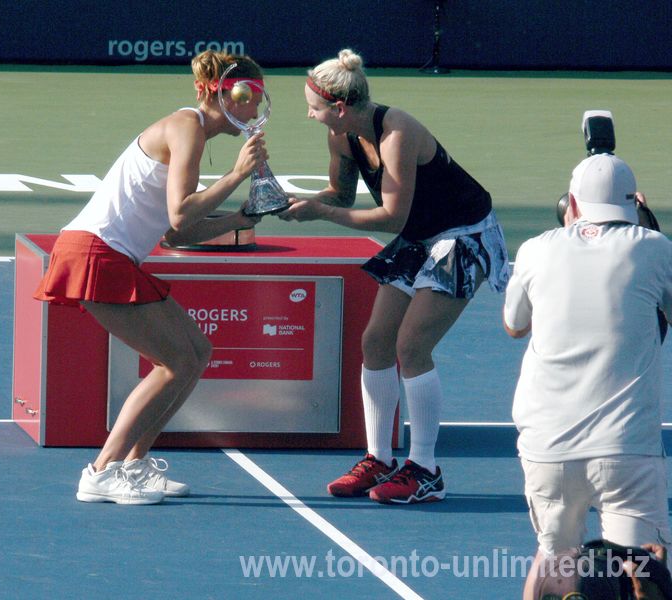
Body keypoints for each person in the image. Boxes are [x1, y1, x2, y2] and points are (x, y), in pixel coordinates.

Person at [34, 50, 267, 504]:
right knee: (176, 362)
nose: (255, 109)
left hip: (109, 256)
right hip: (96, 253)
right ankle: (101, 471)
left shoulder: (194, 134)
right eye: (249, 96)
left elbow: (178, 231)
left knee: (196, 353)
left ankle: (135, 464)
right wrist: (238, 174)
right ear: (225, 94)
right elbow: (181, 211)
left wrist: (241, 217)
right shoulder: (187, 127)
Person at [278, 49, 510, 504]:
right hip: (421, 235)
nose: (310, 114)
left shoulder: (397, 133)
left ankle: (425, 470)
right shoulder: (340, 136)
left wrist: (321, 213)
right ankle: (378, 459)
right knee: (376, 343)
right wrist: (289, 199)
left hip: (462, 235)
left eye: (315, 107)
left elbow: (390, 218)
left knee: (412, 346)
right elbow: (342, 194)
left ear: (340, 107)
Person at [502, 153, 672, 597]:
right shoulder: (656, 248)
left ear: (571, 203)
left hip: (548, 448)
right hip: (627, 449)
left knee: (554, 558)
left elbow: (514, 325)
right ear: (633, 204)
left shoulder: (536, 248)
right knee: (646, 567)